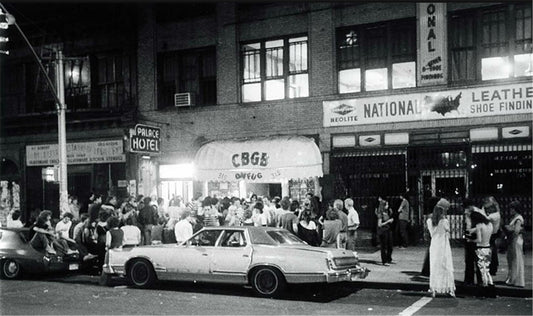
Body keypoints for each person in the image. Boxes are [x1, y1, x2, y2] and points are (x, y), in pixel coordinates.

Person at [427, 198, 455, 298]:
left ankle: (434, 288)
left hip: (434, 244)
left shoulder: (429, 221)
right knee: (446, 265)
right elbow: (448, 232)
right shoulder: (444, 221)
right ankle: (449, 288)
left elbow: (431, 234)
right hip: (443, 245)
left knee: (434, 266)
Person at [470, 210, 494, 289]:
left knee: (481, 269)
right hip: (488, 247)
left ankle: (485, 286)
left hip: (480, 248)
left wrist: (471, 240)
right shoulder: (490, 224)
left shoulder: (479, 225)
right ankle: (491, 284)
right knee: (487, 269)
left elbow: (479, 239)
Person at [504, 201, 525, 287]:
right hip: (513, 240)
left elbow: (516, 231)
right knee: (512, 259)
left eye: (512, 209)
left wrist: (509, 229)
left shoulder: (518, 219)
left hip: (516, 240)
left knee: (516, 259)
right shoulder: (515, 218)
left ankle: (516, 280)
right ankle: (512, 278)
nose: (510, 210)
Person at [463, 199, 482, 286]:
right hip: (469, 234)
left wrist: (472, 230)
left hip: (476, 235)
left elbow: (481, 225)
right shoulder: (467, 212)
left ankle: (480, 280)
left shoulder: (478, 212)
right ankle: (468, 280)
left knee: (477, 259)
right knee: (469, 259)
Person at [482, 196, 501, 276]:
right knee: (492, 252)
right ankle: (493, 267)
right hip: (493, 234)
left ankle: (491, 268)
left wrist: (483, 208)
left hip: (492, 235)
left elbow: (484, 218)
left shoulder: (494, 216)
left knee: (491, 252)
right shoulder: (496, 214)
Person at [376, 198, 394, 266]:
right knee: (384, 246)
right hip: (383, 230)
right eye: (386, 204)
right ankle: (384, 260)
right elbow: (379, 224)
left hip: (388, 229)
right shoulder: (380, 213)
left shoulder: (387, 211)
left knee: (390, 245)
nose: (387, 205)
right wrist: (387, 221)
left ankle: (389, 258)